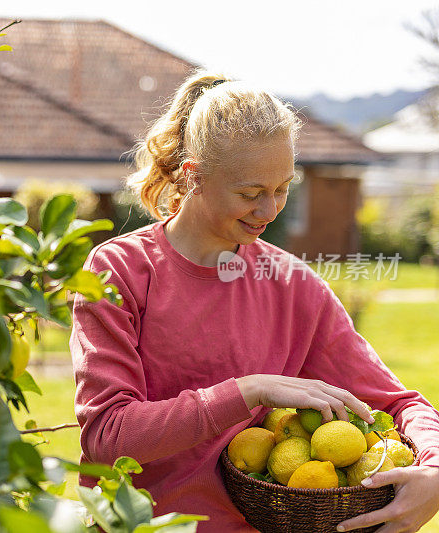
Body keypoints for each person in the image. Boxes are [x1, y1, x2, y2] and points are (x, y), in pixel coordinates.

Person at [69, 69, 439, 532]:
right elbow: (108, 436)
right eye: (250, 194)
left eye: (284, 188)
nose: (270, 210)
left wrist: (434, 469)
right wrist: (249, 390)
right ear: (194, 176)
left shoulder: (290, 283)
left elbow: (399, 403)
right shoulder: (122, 269)